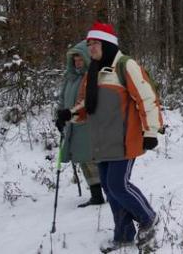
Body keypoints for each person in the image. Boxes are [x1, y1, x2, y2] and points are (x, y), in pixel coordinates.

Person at [58, 23, 163, 253]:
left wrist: (151, 131)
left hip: (125, 138)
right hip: (102, 139)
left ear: (105, 44)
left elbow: (147, 98)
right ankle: (124, 234)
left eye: (93, 43)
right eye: (88, 44)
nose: (90, 48)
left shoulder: (126, 66)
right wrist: (69, 114)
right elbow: (87, 104)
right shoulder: (93, 72)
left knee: (118, 184)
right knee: (108, 186)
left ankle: (148, 218)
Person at [55, 40, 104, 208]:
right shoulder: (70, 78)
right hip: (73, 125)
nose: (77, 63)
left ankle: (104, 192)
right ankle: (95, 194)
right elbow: (62, 99)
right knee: (82, 160)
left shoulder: (91, 77)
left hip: (88, 124)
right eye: (75, 60)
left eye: (80, 59)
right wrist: (59, 117)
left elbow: (89, 101)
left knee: (92, 159)